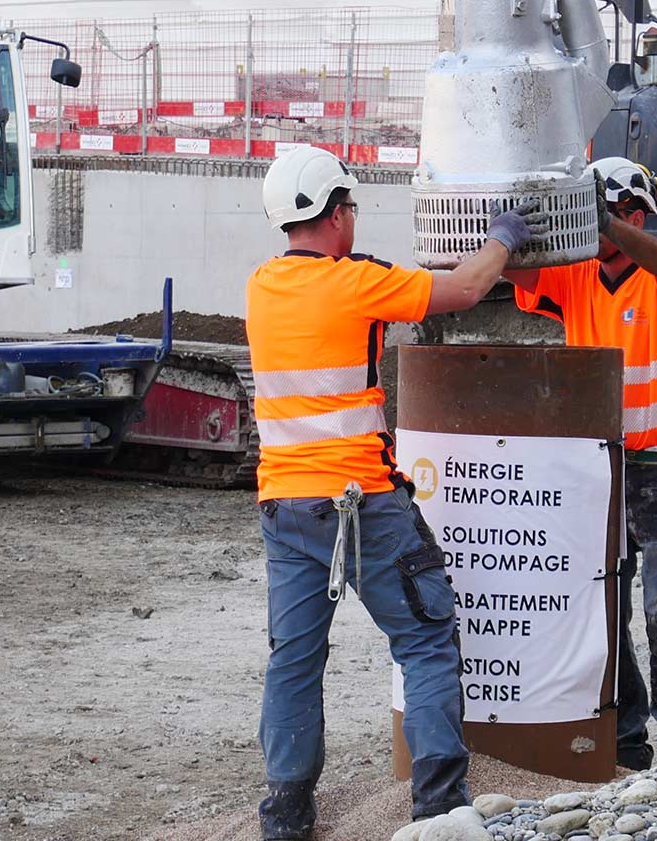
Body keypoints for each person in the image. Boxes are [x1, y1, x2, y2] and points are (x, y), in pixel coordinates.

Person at [246, 145, 549, 840]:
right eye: (350, 207)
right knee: (425, 640)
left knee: (294, 658)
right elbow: (467, 289)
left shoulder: (261, 286)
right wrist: (503, 236)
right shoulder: (355, 282)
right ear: (336, 213)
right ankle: (440, 807)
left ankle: (287, 817)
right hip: (362, 505)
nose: (354, 219)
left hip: (285, 508)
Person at [506, 157, 657, 770]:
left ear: (632, 215)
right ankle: (624, 737)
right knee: (603, 607)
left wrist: (606, 222)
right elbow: (522, 271)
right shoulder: (574, 279)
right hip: (594, 465)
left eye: (607, 217)